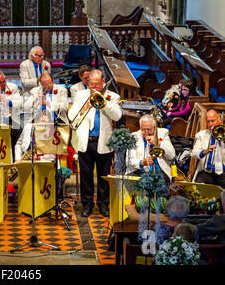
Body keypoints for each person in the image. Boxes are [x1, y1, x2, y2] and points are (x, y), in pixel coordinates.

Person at [68, 69, 122, 217]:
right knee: (86, 175)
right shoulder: (81, 95)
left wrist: (103, 102)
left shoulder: (112, 96)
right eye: (91, 84)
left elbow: (117, 116)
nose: (93, 87)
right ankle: (87, 204)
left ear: (103, 82)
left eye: (96, 84)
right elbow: (71, 116)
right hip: (86, 141)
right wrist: (82, 109)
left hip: (103, 142)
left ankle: (103, 205)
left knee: (103, 176)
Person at [126, 114, 176, 184]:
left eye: (148, 129)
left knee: (160, 183)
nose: (146, 132)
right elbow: (128, 161)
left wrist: (158, 143)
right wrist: (141, 162)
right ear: (140, 127)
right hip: (139, 170)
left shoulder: (162, 133)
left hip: (159, 171)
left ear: (154, 127)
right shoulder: (133, 137)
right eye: (143, 130)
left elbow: (172, 155)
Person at [191, 109, 225, 188]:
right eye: (208, 122)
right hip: (207, 172)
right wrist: (204, 151)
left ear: (219, 120)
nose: (210, 124)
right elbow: (194, 153)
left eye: (213, 121)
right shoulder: (201, 135)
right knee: (197, 189)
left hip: (223, 172)